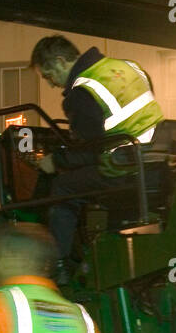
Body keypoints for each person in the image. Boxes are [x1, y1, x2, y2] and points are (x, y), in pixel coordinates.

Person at [29, 35, 165, 282]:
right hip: (155, 158)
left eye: (48, 76)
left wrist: (55, 161)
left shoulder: (81, 93)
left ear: (60, 62)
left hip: (123, 165)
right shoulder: (128, 66)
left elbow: (90, 150)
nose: (51, 85)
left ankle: (59, 268)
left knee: (62, 187)